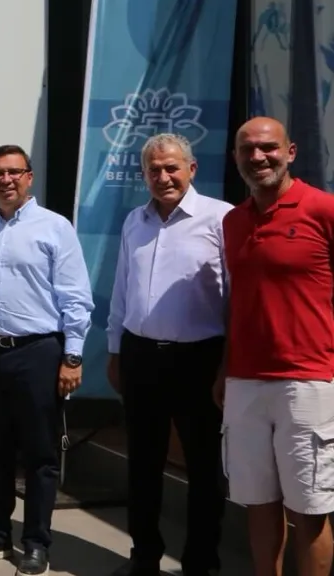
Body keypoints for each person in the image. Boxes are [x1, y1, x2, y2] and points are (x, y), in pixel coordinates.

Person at [0, 145, 93, 576]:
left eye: (14, 172)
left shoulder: (54, 227)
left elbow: (75, 297)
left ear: (29, 177)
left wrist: (72, 356)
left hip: (37, 352)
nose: (6, 180)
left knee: (39, 453)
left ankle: (36, 542)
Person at [105, 134, 230, 576]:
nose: (163, 177)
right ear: (144, 175)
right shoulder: (134, 221)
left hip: (200, 360)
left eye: (171, 168)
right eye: (154, 170)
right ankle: (144, 555)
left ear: (191, 169)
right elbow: (122, 288)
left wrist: (228, 364)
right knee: (143, 464)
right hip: (141, 357)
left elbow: (236, 296)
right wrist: (115, 350)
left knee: (204, 468)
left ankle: (200, 562)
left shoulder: (220, 218)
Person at [220, 117, 334, 576]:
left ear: (290, 152)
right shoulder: (233, 221)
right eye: (247, 149)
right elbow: (239, 303)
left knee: (309, 510)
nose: (258, 156)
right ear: (235, 157)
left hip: (307, 382)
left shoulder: (323, 210)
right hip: (245, 383)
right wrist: (224, 370)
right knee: (258, 503)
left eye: (268, 147)